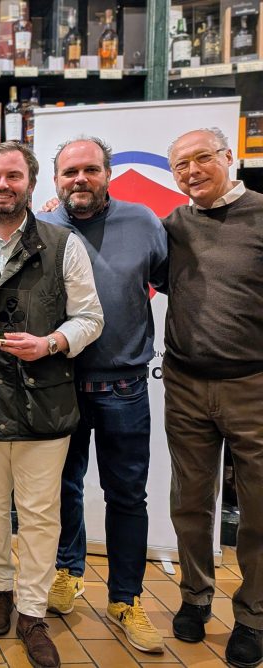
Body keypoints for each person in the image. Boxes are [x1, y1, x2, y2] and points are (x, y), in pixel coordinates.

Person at [0, 141, 103, 668]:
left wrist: (51, 343)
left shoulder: (64, 245)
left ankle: (33, 612)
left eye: (13, 176)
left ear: (31, 184)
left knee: (40, 515)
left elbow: (90, 317)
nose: (2, 185)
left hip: (45, 403)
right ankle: (0, 589)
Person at [36, 137, 168, 654]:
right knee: (63, 489)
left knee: (127, 496)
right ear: (55, 180)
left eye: (90, 169)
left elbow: (173, 281)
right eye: (70, 172)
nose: (80, 179)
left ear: (108, 173)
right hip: (60, 384)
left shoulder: (144, 222)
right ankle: (68, 572)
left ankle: (125, 599)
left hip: (124, 386)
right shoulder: (42, 228)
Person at [163, 127, 263, 668]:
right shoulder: (174, 225)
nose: (192, 171)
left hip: (253, 384)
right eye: (180, 165)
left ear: (229, 156)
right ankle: (195, 598)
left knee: (258, 508)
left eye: (202, 158)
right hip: (184, 382)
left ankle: (253, 617)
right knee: (191, 502)